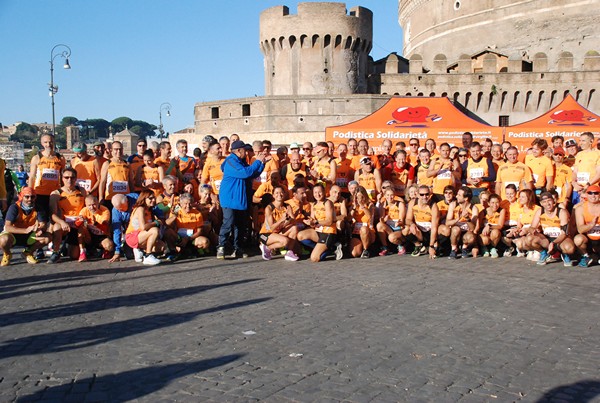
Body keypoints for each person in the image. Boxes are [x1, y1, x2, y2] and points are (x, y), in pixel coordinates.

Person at [217, 140, 269, 259]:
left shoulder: (241, 161)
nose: (246, 153)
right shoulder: (231, 161)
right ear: (239, 150)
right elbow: (245, 173)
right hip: (229, 198)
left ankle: (238, 248)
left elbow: (252, 174)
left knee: (240, 225)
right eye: (245, 150)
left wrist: (262, 164)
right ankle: (221, 246)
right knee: (228, 222)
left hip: (240, 198)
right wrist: (257, 161)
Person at [0, 187, 50, 266]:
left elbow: (43, 224)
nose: (30, 199)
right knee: (3, 240)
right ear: (21, 197)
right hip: (13, 235)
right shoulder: (14, 207)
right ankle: (7, 254)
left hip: (30, 235)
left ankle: (28, 252)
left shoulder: (38, 208)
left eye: (32, 197)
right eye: (27, 197)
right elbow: (8, 227)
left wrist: (40, 229)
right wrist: (25, 230)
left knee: (47, 238)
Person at [529, 192, 575, 266]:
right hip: (547, 239)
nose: (547, 204)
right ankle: (543, 253)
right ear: (541, 203)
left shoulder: (561, 212)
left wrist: (554, 243)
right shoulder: (540, 211)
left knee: (569, 248)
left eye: (549, 201)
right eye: (544, 202)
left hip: (561, 239)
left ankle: (564, 253)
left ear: (553, 201)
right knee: (530, 239)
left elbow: (564, 233)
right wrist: (533, 231)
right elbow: (531, 227)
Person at [258, 186, 300, 261]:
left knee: (294, 228)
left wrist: (292, 216)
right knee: (285, 241)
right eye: (276, 193)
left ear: (284, 193)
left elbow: (294, 222)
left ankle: (289, 252)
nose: (279, 195)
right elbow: (271, 228)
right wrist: (282, 220)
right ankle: (267, 248)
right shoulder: (269, 208)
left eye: (281, 192)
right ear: (273, 195)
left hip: (278, 232)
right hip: (266, 234)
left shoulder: (287, 206)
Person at [29, 134, 65, 219]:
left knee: (55, 218)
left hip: (55, 194)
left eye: (50, 142)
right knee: (42, 220)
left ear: (54, 142)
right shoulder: (37, 158)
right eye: (45, 142)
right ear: (42, 143)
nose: (48, 145)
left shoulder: (60, 158)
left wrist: (63, 191)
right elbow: (31, 177)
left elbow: (63, 176)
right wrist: (30, 193)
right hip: (40, 193)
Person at [125, 190, 164, 265]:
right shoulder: (140, 209)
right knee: (154, 230)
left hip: (141, 235)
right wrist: (156, 222)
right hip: (132, 236)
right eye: (150, 198)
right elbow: (143, 227)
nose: (153, 200)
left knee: (162, 247)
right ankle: (148, 255)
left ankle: (139, 250)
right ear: (144, 199)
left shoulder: (149, 210)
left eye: (154, 198)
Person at [166, 192, 210, 257]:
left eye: (190, 203)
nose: (188, 206)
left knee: (205, 242)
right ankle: (173, 251)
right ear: (180, 204)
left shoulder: (197, 214)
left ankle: (190, 250)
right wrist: (174, 216)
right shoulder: (176, 211)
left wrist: (188, 239)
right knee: (168, 232)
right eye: (185, 204)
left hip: (192, 238)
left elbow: (199, 231)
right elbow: (167, 224)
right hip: (179, 238)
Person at [403, 184, 439, 259]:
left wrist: (431, 246)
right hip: (419, 231)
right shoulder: (412, 202)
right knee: (405, 229)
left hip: (429, 232)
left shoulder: (433, 206)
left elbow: (434, 227)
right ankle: (418, 245)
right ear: (417, 195)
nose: (424, 197)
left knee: (444, 230)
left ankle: (435, 246)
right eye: (422, 195)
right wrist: (412, 224)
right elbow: (407, 219)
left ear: (430, 194)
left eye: (427, 194)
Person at [445, 186, 479, 259]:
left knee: (471, 237)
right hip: (455, 232)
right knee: (456, 229)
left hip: (466, 232)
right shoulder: (453, 205)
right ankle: (454, 249)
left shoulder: (474, 208)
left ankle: (464, 248)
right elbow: (447, 223)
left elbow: (473, 228)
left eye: (459, 195)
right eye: (457, 194)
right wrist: (457, 219)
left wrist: (467, 219)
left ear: (466, 198)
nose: (456, 196)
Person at [98, 141, 133, 209]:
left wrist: (133, 195)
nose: (118, 151)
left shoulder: (127, 164)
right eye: (116, 149)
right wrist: (100, 198)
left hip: (125, 198)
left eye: (120, 149)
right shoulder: (107, 163)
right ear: (111, 150)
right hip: (110, 198)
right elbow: (102, 182)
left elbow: (131, 182)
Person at [78, 194, 114, 261]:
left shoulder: (105, 210)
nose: (92, 207)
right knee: (81, 228)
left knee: (109, 246)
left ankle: (105, 250)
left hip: (101, 235)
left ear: (98, 203)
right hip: (89, 236)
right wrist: (81, 221)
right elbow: (77, 223)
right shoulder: (84, 210)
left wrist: (96, 223)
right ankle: (82, 252)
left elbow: (105, 226)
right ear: (86, 205)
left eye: (94, 204)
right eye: (89, 205)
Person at [573, 184, 600, 267]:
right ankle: (586, 256)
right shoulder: (580, 209)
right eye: (590, 193)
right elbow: (580, 229)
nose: (593, 195)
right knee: (578, 239)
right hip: (588, 238)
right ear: (586, 195)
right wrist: (591, 224)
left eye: (596, 193)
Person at [376, 187, 406, 255]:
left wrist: (399, 223)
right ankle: (385, 247)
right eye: (388, 195)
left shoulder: (400, 204)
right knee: (379, 225)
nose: (390, 197)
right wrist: (384, 220)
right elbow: (381, 220)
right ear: (385, 196)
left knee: (392, 237)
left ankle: (401, 245)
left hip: (398, 228)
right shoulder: (383, 204)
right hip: (389, 228)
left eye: (392, 195)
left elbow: (402, 220)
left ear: (395, 195)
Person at [110, 193, 138, 263]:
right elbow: (117, 230)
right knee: (129, 255)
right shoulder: (115, 210)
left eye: (121, 208)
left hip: (140, 226)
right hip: (129, 231)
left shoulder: (137, 199)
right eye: (117, 209)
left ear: (127, 202)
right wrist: (117, 251)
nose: (119, 210)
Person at [348, 186, 376, 258]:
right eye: (357, 197)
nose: (359, 199)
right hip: (356, 231)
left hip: (368, 231)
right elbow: (348, 219)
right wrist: (353, 208)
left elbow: (369, 216)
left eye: (361, 197)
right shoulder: (353, 206)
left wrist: (362, 205)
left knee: (363, 228)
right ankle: (362, 248)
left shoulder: (370, 204)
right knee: (355, 253)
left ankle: (366, 249)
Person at [477, 193, 505, 258]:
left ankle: (492, 248)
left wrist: (489, 226)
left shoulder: (501, 211)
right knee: (485, 239)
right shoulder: (483, 212)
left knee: (496, 232)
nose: (495, 205)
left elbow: (500, 226)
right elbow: (479, 226)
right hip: (484, 233)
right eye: (492, 203)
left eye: (497, 202)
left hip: (494, 232)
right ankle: (484, 247)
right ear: (488, 203)